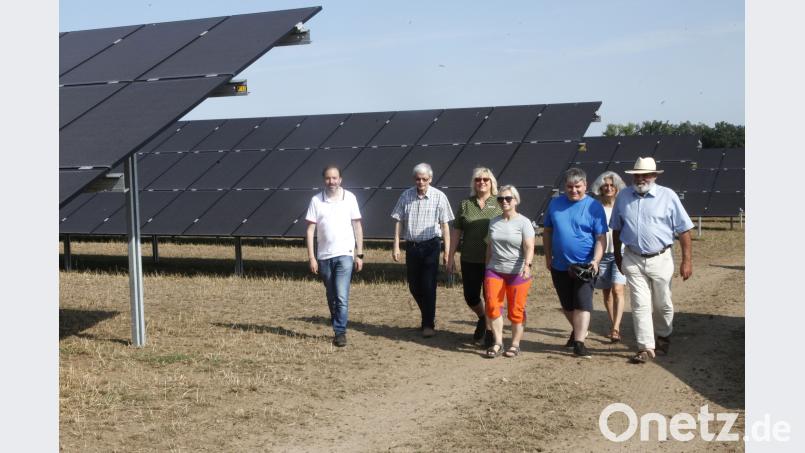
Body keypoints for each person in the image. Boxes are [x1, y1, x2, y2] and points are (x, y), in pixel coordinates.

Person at [610, 157, 694, 364]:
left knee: (662, 303)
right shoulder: (623, 197)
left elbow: (684, 230)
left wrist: (687, 261)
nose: (641, 179)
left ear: (654, 176)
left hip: (661, 258)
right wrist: (618, 256)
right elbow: (617, 229)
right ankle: (645, 347)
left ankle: (664, 334)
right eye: (637, 175)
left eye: (645, 175)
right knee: (640, 304)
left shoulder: (668, 196)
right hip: (633, 257)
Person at [543, 168, 607, 359]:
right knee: (567, 305)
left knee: (582, 303)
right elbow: (547, 231)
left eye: (577, 186)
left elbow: (601, 237)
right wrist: (548, 256)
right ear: (565, 187)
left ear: (585, 185)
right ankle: (579, 331)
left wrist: (596, 260)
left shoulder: (594, 206)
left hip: (585, 265)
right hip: (560, 265)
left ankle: (579, 343)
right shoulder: (555, 204)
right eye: (570, 187)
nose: (574, 190)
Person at [391, 163, 454, 337]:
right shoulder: (406, 195)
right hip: (412, 246)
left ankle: (428, 324)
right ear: (414, 179)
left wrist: (447, 251)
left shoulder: (439, 197)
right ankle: (427, 314)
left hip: (431, 245)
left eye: (424, 179)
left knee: (428, 285)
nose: (421, 182)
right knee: (414, 286)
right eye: (418, 179)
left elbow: (445, 225)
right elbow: (398, 220)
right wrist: (396, 245)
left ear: (430, 179)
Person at [305, 165, 364, 347]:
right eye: (328, 178)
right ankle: (336, 321)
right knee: (331, 296)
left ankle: (340, 332)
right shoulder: (316, 200)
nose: (332, 181)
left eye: (335, 178)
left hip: (345, 254)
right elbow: (310, 230)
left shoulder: (350, 198)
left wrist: (359, 254)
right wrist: (312, 257)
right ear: (324, 180)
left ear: (340, 179)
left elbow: (357, 226)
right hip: (324, 256)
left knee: (341, 296)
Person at [447, 167, 502, 346]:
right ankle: (482, 316)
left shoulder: (500, 202)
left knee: (490, 297)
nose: (482, 182)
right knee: (470, 296)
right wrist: (450, 256)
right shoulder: (465, 204)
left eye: (486, 179)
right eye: (478, 179)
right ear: (473, 183)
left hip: (492, 260)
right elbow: (456, 231)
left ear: (492, 182)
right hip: (469, 258)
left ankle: (490, 333)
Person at [483, 185, 535, 358]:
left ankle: (515, 344)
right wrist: (487, 267)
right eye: (500, 199)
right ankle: (498, 343)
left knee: (516, 310)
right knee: (492, 306)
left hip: (517, 272)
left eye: (508, 198)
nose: (504, 201)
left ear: (516, 200)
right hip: (495, 270)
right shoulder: (493, 221)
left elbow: (529, 246)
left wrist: (527, 266)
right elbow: (489, 246)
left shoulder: (524, 222)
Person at [590, 171, 628, 343]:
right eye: (605, 185)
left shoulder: (623, 206)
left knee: (618, 289)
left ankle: (616, 328)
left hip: (621, 253)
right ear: (600, 188)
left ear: (617, 187)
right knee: (606, 293)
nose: (609, 188)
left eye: (612, 185)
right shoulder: (594, 208)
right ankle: (614, 323)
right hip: (602, 255)